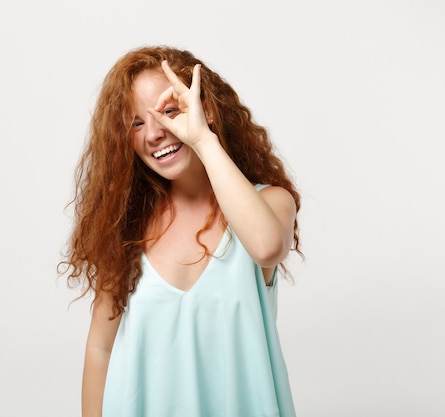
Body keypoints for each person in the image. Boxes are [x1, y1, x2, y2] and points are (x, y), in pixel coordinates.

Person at [60, 45, 302, 417]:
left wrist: (203, 140)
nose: (155, 132)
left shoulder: (270, 203)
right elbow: (101, 349)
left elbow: (268, 247)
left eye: (169, 111)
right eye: (136, 122)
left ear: (205, 110)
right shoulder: (127, 228)